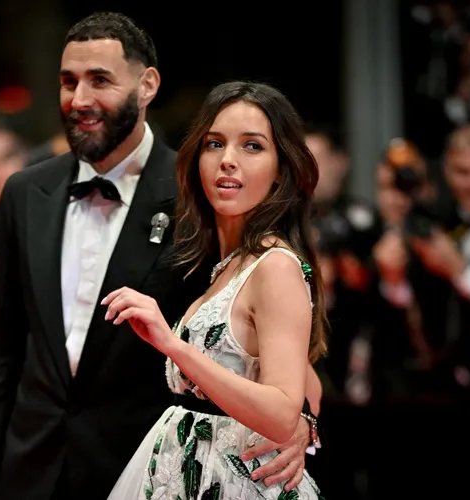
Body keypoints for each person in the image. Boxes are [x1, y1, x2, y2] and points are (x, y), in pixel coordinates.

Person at [0, 13, 319, 500]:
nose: (80, 99)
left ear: (147, 84)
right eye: (68, 82)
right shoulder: (25, 192)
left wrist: (300, 422)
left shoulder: (202, 195)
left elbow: (273, 343)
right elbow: (1, 350)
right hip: (30, 468)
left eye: (100, 80)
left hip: (148, 468)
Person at [104, 81, 327, 499]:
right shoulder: (227, 263)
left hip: (235, 481)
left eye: (252, 146)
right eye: (214, 144)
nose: (228, 160)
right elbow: (305, 380)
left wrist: (173, 345)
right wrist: (307, 421)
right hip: (186, 470)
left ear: (282, 170)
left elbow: (282, 410)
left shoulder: (274, 266)